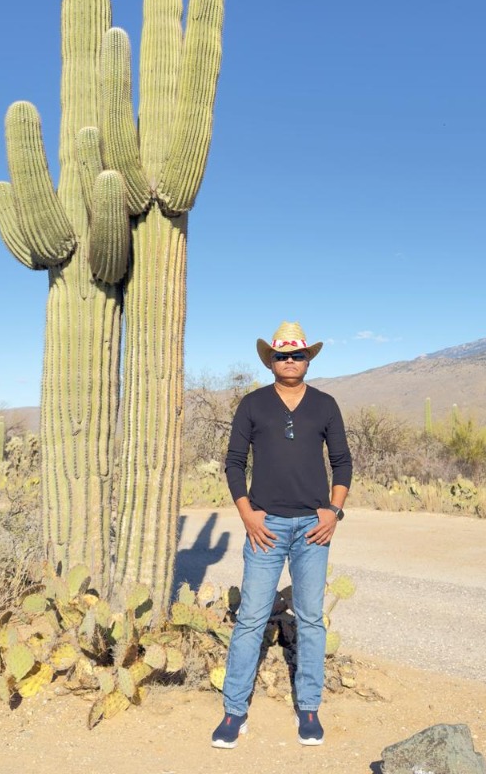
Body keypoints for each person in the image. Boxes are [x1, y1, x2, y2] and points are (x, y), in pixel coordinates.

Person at [211, 321, 352, 749]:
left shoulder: (326, 405)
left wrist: (333, 511)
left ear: (308, 359)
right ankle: (234, 712)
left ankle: (308, 708)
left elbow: (343, 462)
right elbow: (234, 463)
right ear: (270, 360)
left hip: (314, 527)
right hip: (264, 528)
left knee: (310, 618)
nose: (290, 361)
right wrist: (247, 515)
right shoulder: (252, 404)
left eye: (297, 355)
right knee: (251, 618)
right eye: (282, 355)